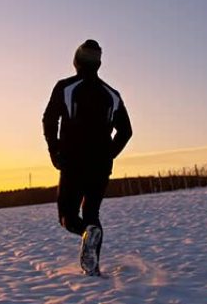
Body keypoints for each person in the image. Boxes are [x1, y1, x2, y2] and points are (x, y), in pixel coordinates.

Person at [42, 39, 133, 276]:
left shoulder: (66, 87)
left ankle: (86, 232)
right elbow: (126, 131)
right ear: (98, 63)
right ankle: (92, 267)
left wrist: (55, 151)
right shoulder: (112, 94)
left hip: (73, 162)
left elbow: (49, 120)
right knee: (92, 213)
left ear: (77, 61)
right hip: (101, 166)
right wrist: (108, 155)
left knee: (68, 217)